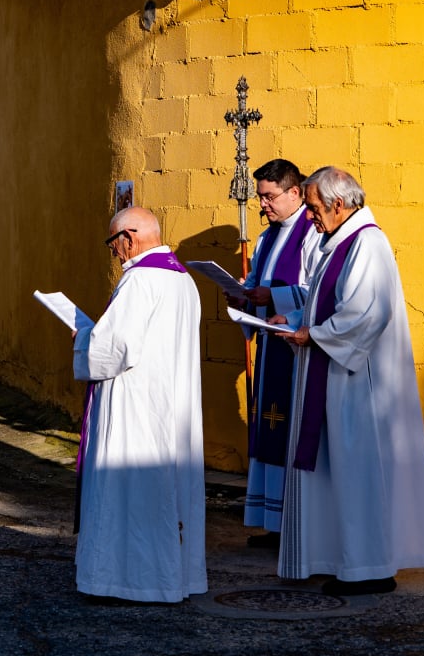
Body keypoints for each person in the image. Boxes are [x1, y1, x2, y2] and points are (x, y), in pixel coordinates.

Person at [273, 167, 424, 595]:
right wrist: (295, 320)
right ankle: (339, 558)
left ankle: (370, 569)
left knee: (358, 473)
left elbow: (365, 312)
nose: (310, 217)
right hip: (335, 374)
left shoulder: (368, 243)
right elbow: (327, 303)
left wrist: (311, 334)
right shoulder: (339, 243)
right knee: (339, 474)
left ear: (337, 203)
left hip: (359, 384)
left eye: (313, 208)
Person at [71, 207, 206, 603]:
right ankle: (173, 577)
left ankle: (126, 579)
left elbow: (115, 349)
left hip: (136, 405)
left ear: (128, 238)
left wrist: (83, 339)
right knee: (167, 490)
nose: (115, 254)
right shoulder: (183, 280)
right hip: (170, 404)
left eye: (114, 244)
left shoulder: (140, 280)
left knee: (130, 488)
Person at [229, 159, 318, 548]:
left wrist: (274, 296)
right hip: (270, 350)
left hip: (297, 353)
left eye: (269, 196)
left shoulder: (312, 233)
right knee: (268, 429)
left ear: (294, 192)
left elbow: (319, 291)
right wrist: (243, 293)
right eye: (260, 197)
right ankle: (273, 523)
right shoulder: (266, 239)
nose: (262, 204)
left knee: (289, 431)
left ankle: (295, 522)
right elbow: (255, 283)